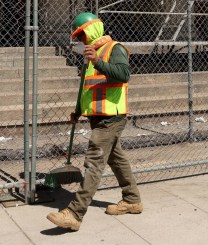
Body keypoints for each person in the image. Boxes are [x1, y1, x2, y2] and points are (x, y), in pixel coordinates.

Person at [46, 12, 143, 232]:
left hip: (111, 117)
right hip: (97, 117)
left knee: (94, 162)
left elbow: (123, 74)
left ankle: (74, 213)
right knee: (116, 160)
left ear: (91, 31)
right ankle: (132, 200)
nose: (80, 41)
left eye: (81, 35)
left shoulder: (113, 49)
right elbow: (87, 87)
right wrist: (78, 111)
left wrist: (97, 61)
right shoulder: (92, 54)